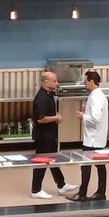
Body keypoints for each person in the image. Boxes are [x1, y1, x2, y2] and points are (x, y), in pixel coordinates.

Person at [30, 69, 78, 199]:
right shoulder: (40, 98)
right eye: (54, 81)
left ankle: (61, 185)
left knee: (52, 159)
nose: (57, 83)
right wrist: (56, 118)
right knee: (42, 160)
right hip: (43, 136)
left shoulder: (50, 94)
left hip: (51, 134)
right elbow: (40, 119)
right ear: (46, 82)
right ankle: (35, 189)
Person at [71, 69, 108, 202]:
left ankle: (82, 193)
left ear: (92, 81)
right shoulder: (98, 95)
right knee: (100, 165)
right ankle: (100, 192)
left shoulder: (96, 97)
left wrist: (83, 116)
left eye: (86, 81)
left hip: (92, 139)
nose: (84, 84)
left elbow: (95, 118)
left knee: (86, 165)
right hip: (97, 137)